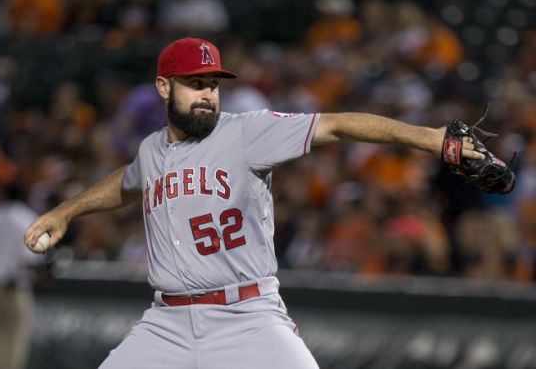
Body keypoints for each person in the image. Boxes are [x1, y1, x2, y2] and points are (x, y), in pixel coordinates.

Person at [24, 37, 484, 368]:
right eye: (194, 83)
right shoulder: (151, 150)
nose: (207, 93)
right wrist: (66, 211)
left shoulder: (246, 131)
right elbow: (127, 182)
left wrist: (431, 138)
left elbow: (338, 125)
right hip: (165, 323)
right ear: (164, 87)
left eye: (213, 83)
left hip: (246, 318)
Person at [0, 183, 46, 369]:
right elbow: (31, 256)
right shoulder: (24, 217)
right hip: (13, 284)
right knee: (16, 336)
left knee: (0, 333)